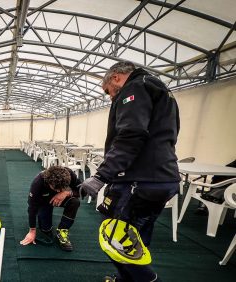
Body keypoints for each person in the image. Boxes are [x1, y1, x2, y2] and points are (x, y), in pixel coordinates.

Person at [80, 61, 180, 282]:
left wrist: (100, 176)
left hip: (139, 181)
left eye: (108, 91)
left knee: (115, 239)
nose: (110, 97)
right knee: (137, 239)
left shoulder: (134, 88)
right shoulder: (160, 89)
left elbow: (131, 135)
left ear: (115, 77)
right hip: (162, 178)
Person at [20, 165, 82, 251]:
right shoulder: (38, 183)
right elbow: (32, 208)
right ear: (48, 182)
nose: (58, 191)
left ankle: (62, 230)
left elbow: (83, 191)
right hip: (44, 200)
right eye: (56, 188)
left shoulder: (69, 174)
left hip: (63, 197)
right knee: (46, 229)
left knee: (75, 202)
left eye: (61, 188)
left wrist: (66, 193)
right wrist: (32, 231)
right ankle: (45, 220)